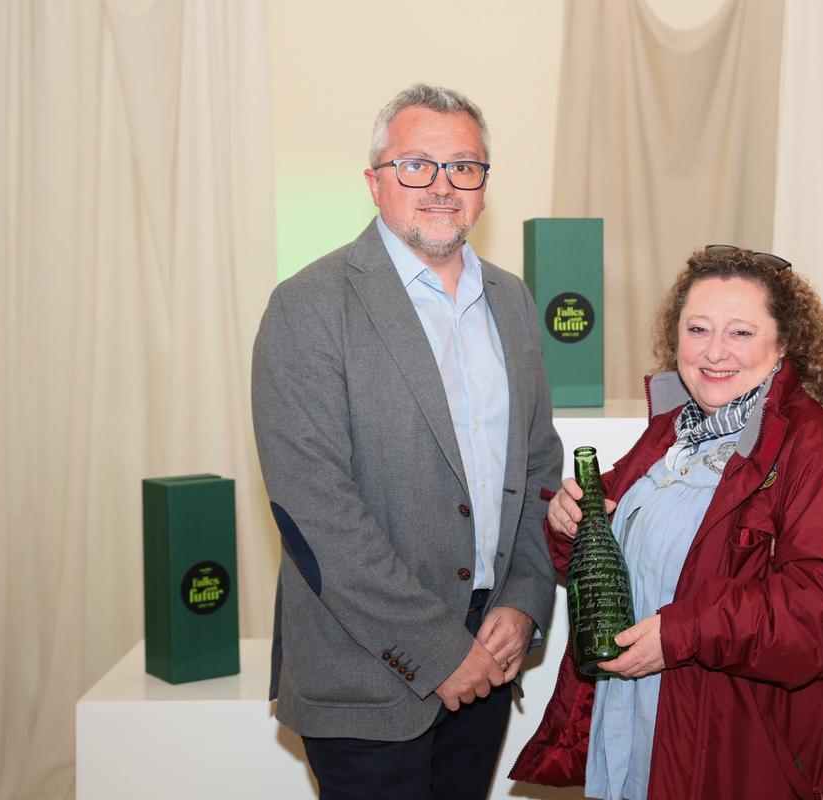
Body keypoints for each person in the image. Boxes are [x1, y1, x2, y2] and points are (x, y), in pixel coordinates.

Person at [251, 83, 562, 800]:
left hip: (490, 655)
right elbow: (314, 511)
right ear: (375, 182)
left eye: (465, 167)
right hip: (367, 671)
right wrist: (435, 651)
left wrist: (523, 600)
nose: (442, 186)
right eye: (417, 165)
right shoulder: (308, 306)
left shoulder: (512, 302)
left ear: (485, 185)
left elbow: (540, 463)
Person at [510, 246, 823, 799]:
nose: (714, 352)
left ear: (784, 344)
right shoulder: (673, 434)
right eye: (698, 329)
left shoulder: (822, 456)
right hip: (647, 731)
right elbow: (613, 561)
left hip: (746, 757)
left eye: (740, 333)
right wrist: (567, 523)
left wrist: (683, 632)